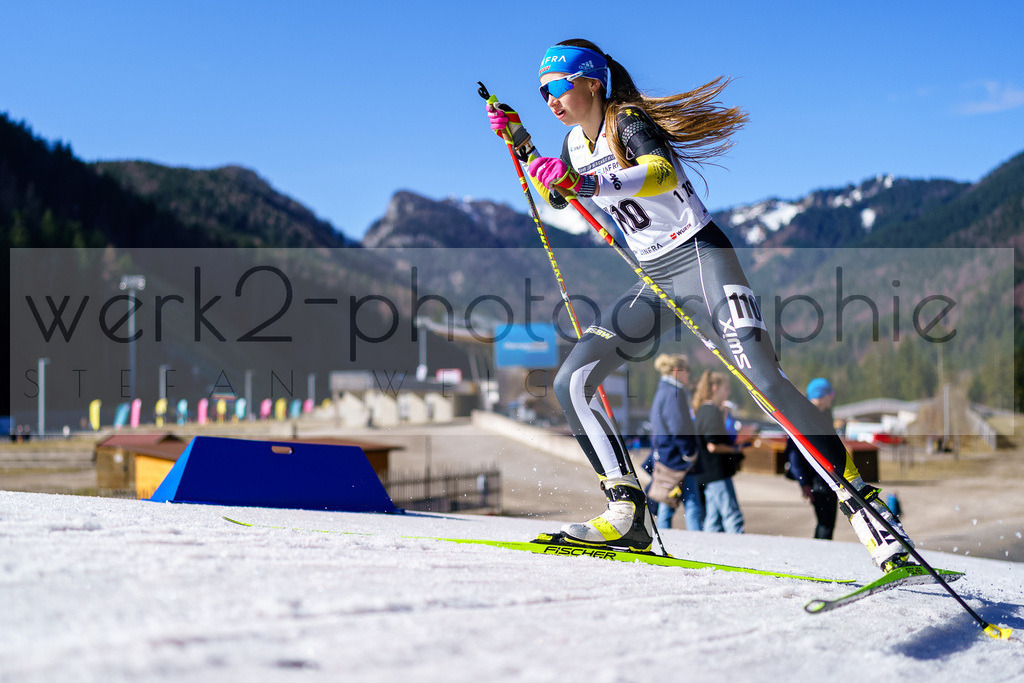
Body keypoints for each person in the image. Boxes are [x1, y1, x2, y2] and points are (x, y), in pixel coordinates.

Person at [485, 39, 914, 571]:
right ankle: (628, 514)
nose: (549, 98)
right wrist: (522, 142)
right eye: (541, 92)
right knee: (572, 379)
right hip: (653, 280)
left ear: (592, 82)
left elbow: (660, 171)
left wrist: (590, 179)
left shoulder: (629, 121)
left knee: (764, 380)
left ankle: (867, 509)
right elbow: (560, 195)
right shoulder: (573, 142)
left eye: (557, 87)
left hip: (701, 258)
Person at [647, 353, 703, 531]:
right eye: (688, 370)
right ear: (678, 371)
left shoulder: (662, 391)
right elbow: (678, 427)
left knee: (667, 503)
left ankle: (665, 538)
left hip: (667, 456)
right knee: (692, 505)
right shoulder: (674, 393)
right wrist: (689, 453)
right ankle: (699, 541)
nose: (689, 375)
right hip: (677, 459)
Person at [785, 378, 840, 540]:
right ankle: (822, 558)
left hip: (822, 477)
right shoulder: (806, 416)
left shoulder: (820, 414)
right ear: (822, 395)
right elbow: (794, 452)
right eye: (831, 393)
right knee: (826, 523)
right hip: (818, 479)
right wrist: (803, 483)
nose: (833, 397)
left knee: (825, 522)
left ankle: (820, 555)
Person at [692, 371, 744, 533]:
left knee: (713, 519)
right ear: (715, 388)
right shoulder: (710, 410)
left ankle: (709, 551)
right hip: (716, 472)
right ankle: (740, 549)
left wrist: (723, 416)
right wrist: (735, 449)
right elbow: (713, 445)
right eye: (725, 388)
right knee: (732, 515)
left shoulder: (702, 410)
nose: (728, 392)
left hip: (707, 472)